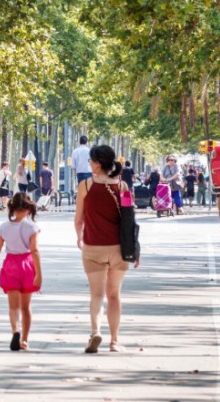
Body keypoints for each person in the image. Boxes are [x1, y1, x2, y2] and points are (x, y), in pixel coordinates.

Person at [74, 144, 139, 353]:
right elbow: (129, 221)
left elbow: (78, 219)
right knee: (114, 295)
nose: (89, 164)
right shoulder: (122, 187)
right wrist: (135, 249)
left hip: (93, 246)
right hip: (118, 249)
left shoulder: (85, 185)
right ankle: (114, 341)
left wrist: (79, 237)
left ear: (98, 163)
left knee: (96, 295)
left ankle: (95, 332)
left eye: (91, 161)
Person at [0, 192, 42, 351]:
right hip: (26, 264)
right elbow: (35, 251)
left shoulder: (4, 227)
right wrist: (39, 273)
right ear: (28, 209)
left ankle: (15, 331)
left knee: (13, 306)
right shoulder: (32, 227)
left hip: (10, 264)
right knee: (26, 307)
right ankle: (24, 339)